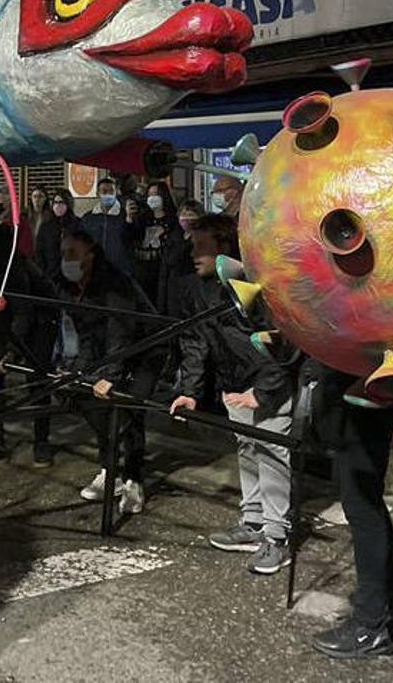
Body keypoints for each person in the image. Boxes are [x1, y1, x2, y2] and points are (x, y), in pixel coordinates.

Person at [170, 215, 295, 574]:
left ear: (225, 248)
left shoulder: (252, 283)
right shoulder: (197, 289)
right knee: (248, 450)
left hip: (265, 384)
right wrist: (192, 392)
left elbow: (282, 338)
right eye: (192, 246)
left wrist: (265, 391)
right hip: (234, 384)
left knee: (272, 452)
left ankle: (277, 537)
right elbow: (194, 342)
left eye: (202, 247)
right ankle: (253, 524)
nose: (193, 254)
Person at [308, 361, 393, 659]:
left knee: (362, 508)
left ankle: (369, 627)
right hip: (364, 401)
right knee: (365, 501)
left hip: (366, 404)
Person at [63, 229, 163, 515]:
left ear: (90, 254)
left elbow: (122, 330)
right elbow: (87, 335)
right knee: (89, 402)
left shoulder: (114, 283)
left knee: (128, 410)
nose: (65, 259)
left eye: (72, 253)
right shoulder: (75, 286)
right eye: (63, 253)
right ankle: (110, 469)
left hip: (145, 352)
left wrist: (111, 374)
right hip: (109, 352)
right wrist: (78, 371)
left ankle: (133, 479)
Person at [0, 216, 58, 469]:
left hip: (38, 318)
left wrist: (12, 351)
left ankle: (42, 441)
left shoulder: (9, 263)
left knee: (36, 378)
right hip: (1, 321)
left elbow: (23, 310)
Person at [127, 181, 178, 311]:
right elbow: (131, 237)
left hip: (162, 271)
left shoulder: (173, 220)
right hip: (143, 270)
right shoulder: (143, 218)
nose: (152, 198)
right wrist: (130, 219)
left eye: (156, 194)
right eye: (149, 195)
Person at [79, 178, 133, 276]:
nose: (108, 194)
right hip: (95, 271)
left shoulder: (124, 216)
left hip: (120, 272)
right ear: (97, 194)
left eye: (111, 191)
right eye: (104, 191)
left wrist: (130, 220)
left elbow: (132, 239)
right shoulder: (88, 218)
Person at [35, 188, 79, 279]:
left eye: (61, 202)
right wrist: (43, 272)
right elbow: (39, 251)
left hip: (72, 276)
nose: (58, 205)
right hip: (50, 275)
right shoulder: (46, 226)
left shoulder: (77, 224)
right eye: (55, 202)